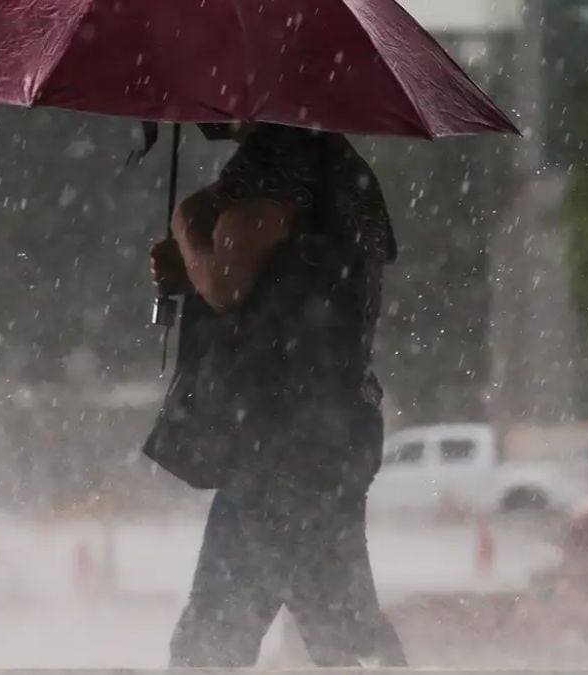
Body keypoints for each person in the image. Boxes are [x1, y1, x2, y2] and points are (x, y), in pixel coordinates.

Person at [149, 121, 407, 667]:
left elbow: (225, 280)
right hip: (319, 426)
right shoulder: (340, 163)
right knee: (214, 634)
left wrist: (187, 228)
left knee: (341, 633)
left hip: (282, 435)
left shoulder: (280, 155)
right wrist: (193, 266)